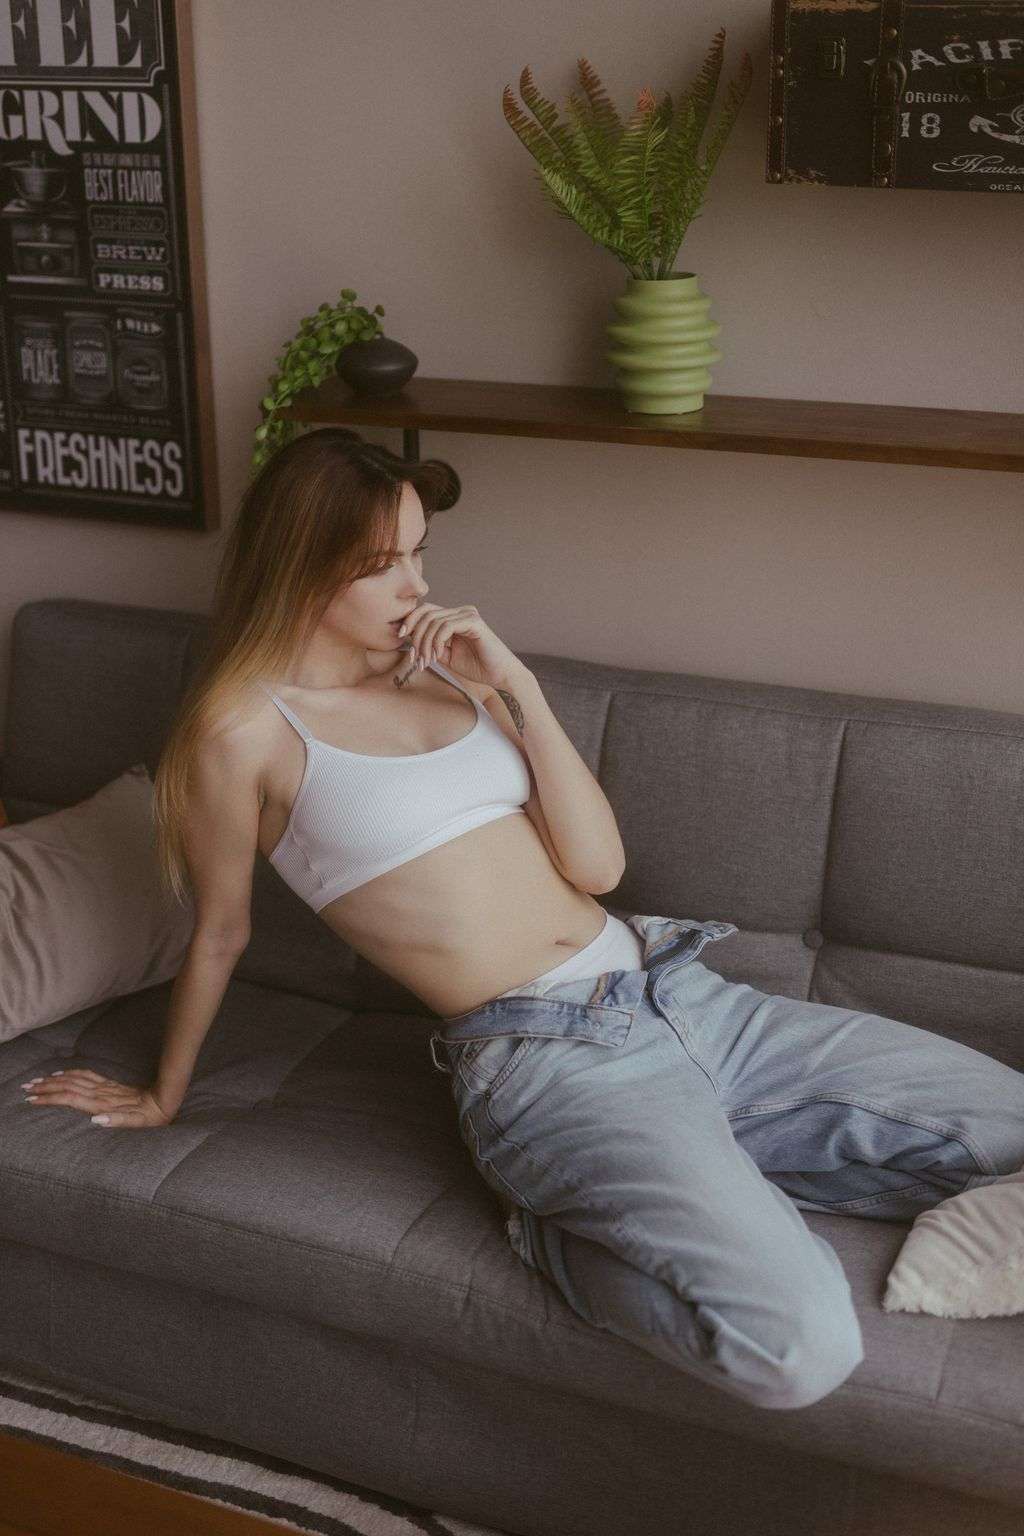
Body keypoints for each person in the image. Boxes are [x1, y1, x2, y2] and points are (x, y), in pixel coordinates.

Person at [22, 426, 1024, 1412]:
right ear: (301, 563)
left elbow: (597, 866)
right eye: (380, 564)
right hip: (550, 1060)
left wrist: (518, 688)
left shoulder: (441, 672)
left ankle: (730, 1163)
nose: (416, 587)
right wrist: (162, 1093)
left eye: (420, 553)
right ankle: (557, 1218)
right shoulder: (239, 730)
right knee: (797, 1351)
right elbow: (220, 931)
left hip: (679, 990)